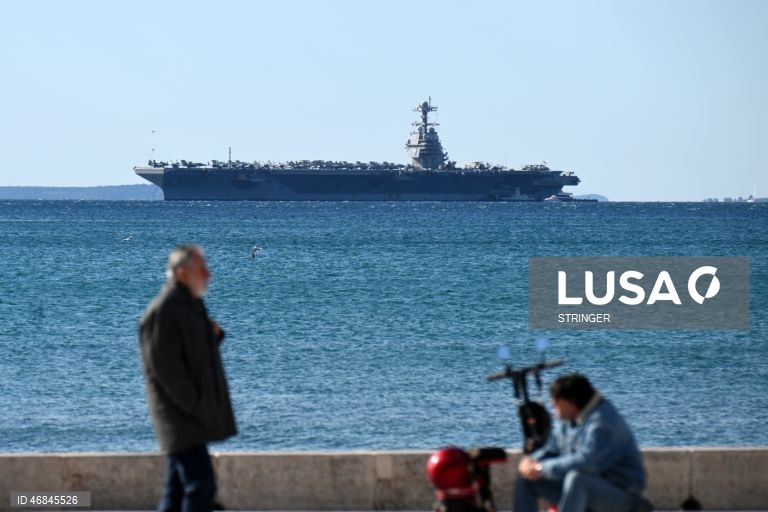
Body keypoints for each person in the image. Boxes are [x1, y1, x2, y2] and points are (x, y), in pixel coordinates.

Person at [139, 245, 237, 512]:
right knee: (200, 485)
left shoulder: (189, 305)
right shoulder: (164, 312)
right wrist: (195, 404)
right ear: (182, 273)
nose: (209, 274)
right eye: (201, 269)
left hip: (187, 413)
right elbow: (166, 369)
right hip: (180, 415)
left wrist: (213, 335)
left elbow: (192, 354)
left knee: (177, 491)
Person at [515, 374, 648, 512]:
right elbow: (552, 449)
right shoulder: (568, 419)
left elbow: (587, 463)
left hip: (620, 495)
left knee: (576, 479)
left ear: (572, 402)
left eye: (556, 399)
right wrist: (531, 461)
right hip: (580, 489)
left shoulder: (603, 422)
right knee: (526, 477)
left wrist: (541, 468)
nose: (552, 403)